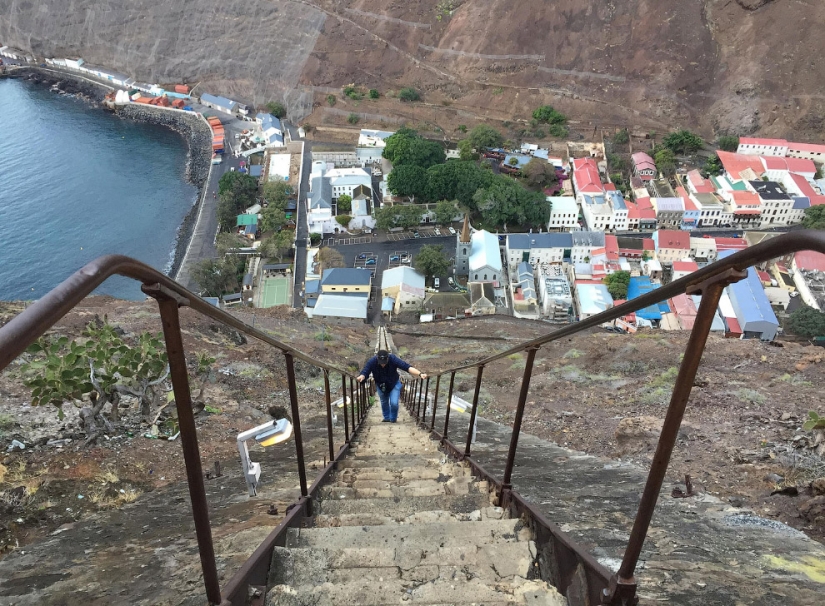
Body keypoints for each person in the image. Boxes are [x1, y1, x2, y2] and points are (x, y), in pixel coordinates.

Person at [356, 350, 427, 423]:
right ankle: (386, 417)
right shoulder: (372, 361)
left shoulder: (393, 359)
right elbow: (366, 371)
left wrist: (420, 374)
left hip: (394, 383)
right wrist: (362, 376)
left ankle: (393, 418)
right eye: (381, 363)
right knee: (384, 401)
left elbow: (406, 367)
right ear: (377, 358)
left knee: (394, 403)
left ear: (388, 358)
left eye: (384, 363)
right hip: (380, 384)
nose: (383, 365)